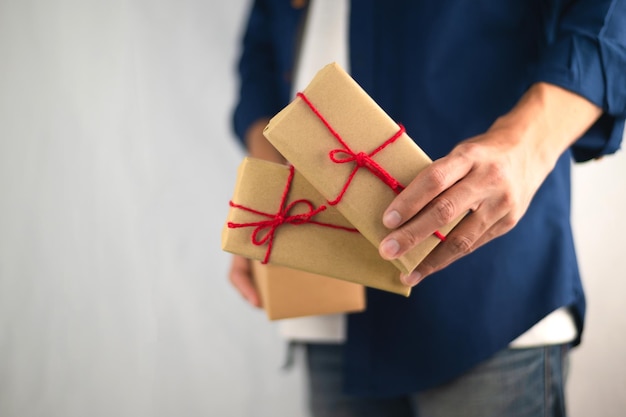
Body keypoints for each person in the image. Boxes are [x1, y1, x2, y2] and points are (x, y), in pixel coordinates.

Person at [228, 1, 626, 416]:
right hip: (325, 295)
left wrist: (526, 144)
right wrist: (269, 197)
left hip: (486, 297)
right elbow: (263, 47)